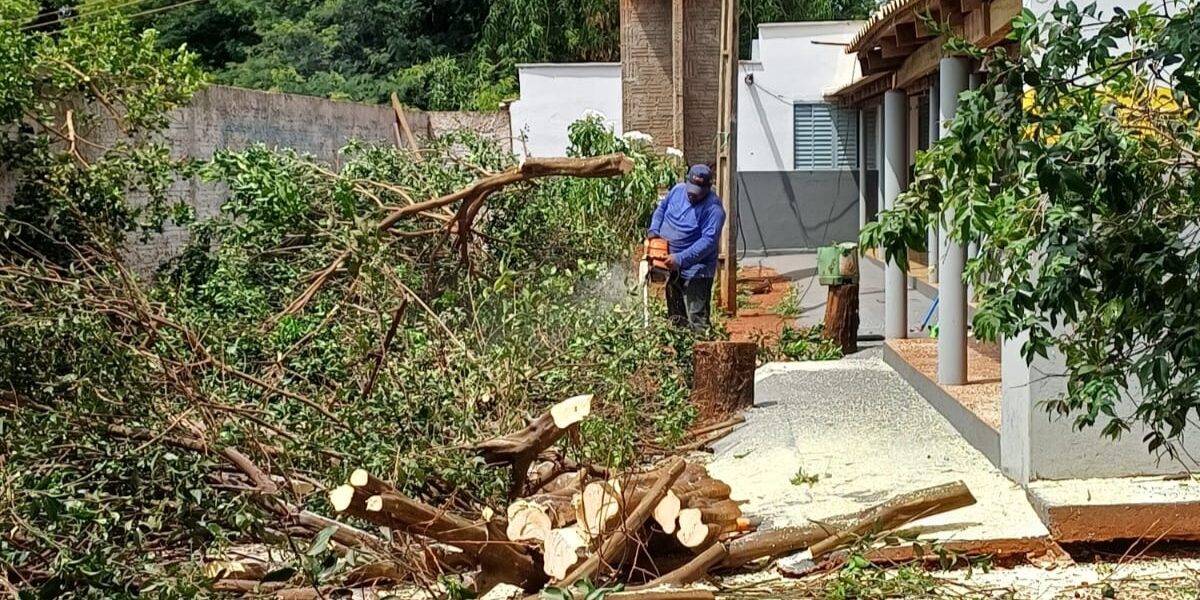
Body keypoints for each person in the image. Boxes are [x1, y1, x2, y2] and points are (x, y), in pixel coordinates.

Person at [647, 164, 726, 331]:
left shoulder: (714, 210)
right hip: (672, 266)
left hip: (697, 270)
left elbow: (708, 242)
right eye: (690, 188)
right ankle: (682, 351)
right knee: (676, 316)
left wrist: (680, 258)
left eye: (697, 191)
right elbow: (661, 209)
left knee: (696, 317)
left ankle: (703, 351)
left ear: (708, 188)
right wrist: (654, 230)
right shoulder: (677, 190)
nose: (692, 194)